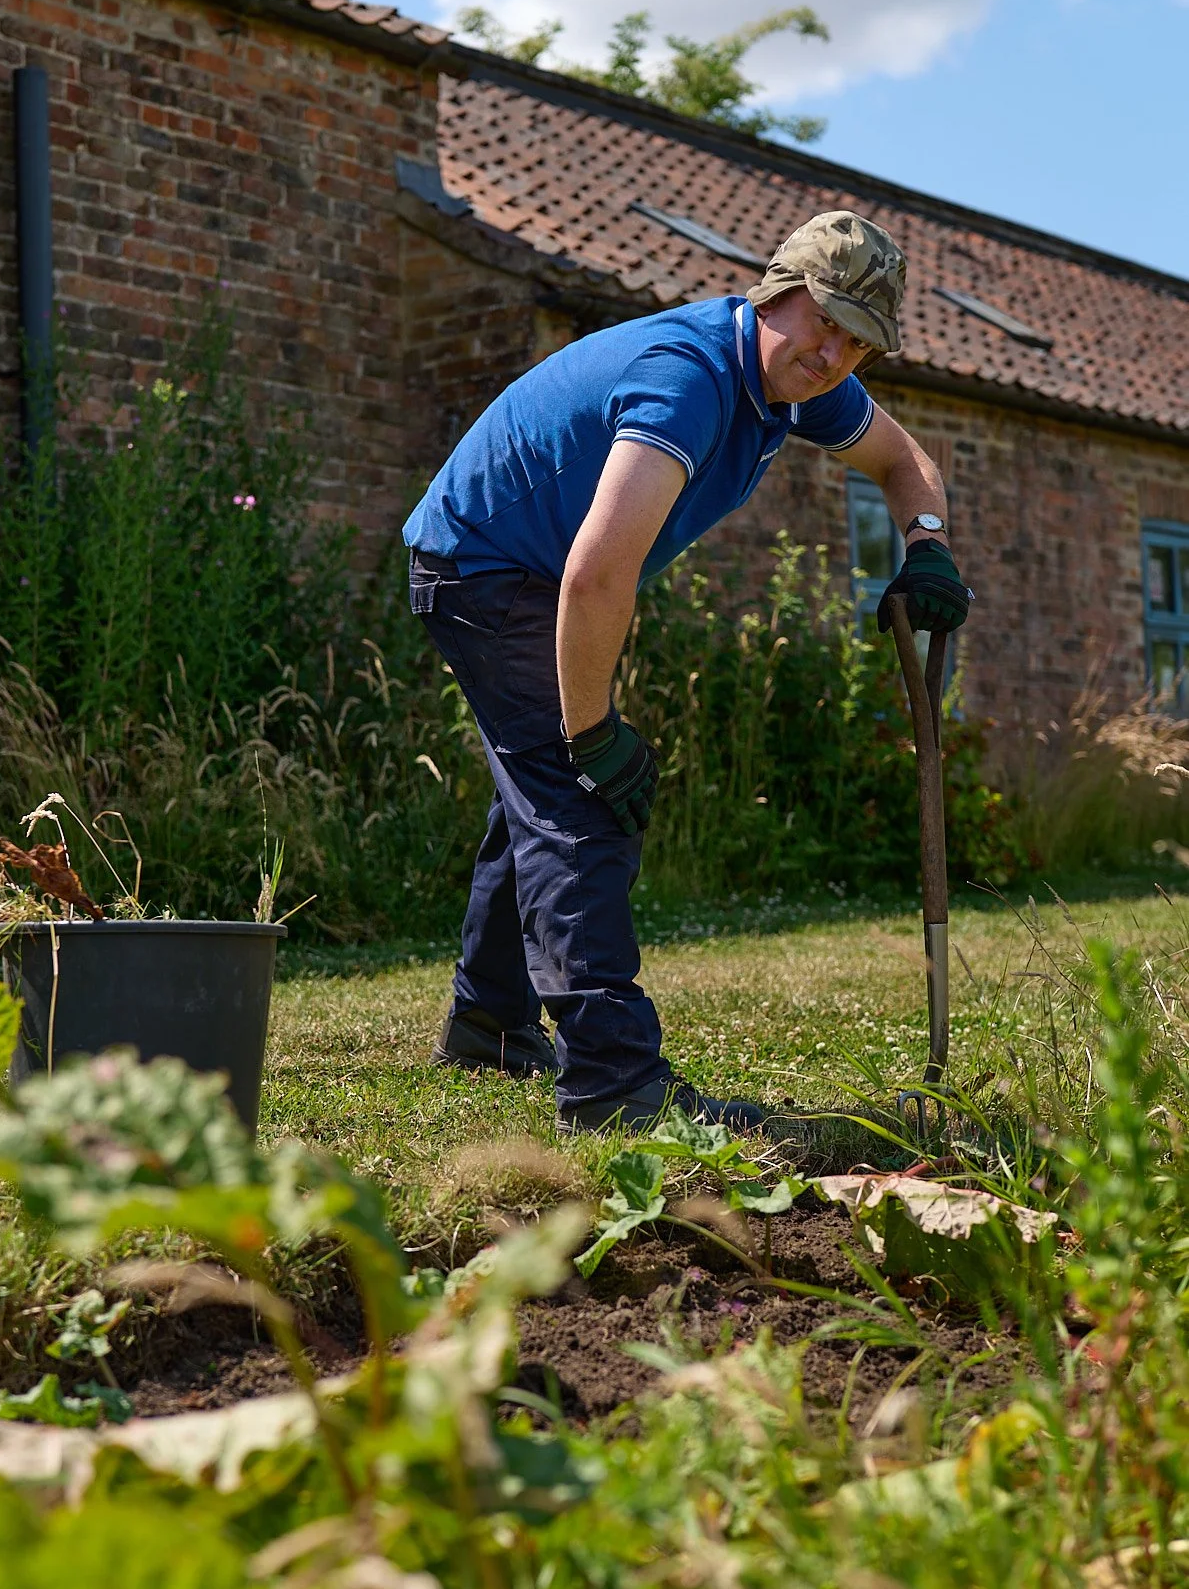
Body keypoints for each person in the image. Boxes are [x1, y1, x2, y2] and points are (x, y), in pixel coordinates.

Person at [403, 211, 970, 1134]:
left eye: (858, 342)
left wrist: (927, 547)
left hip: (534, 569)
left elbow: (907, 461)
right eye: (823, 320)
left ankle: (490, 1025)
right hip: (484, 568)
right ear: (776, 292)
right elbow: (596, 575)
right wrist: (591, 732)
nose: (832, 354)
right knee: (580, 797)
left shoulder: (797, 387)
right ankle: (612, 1087)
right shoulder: (689, 381)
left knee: (542, 789)